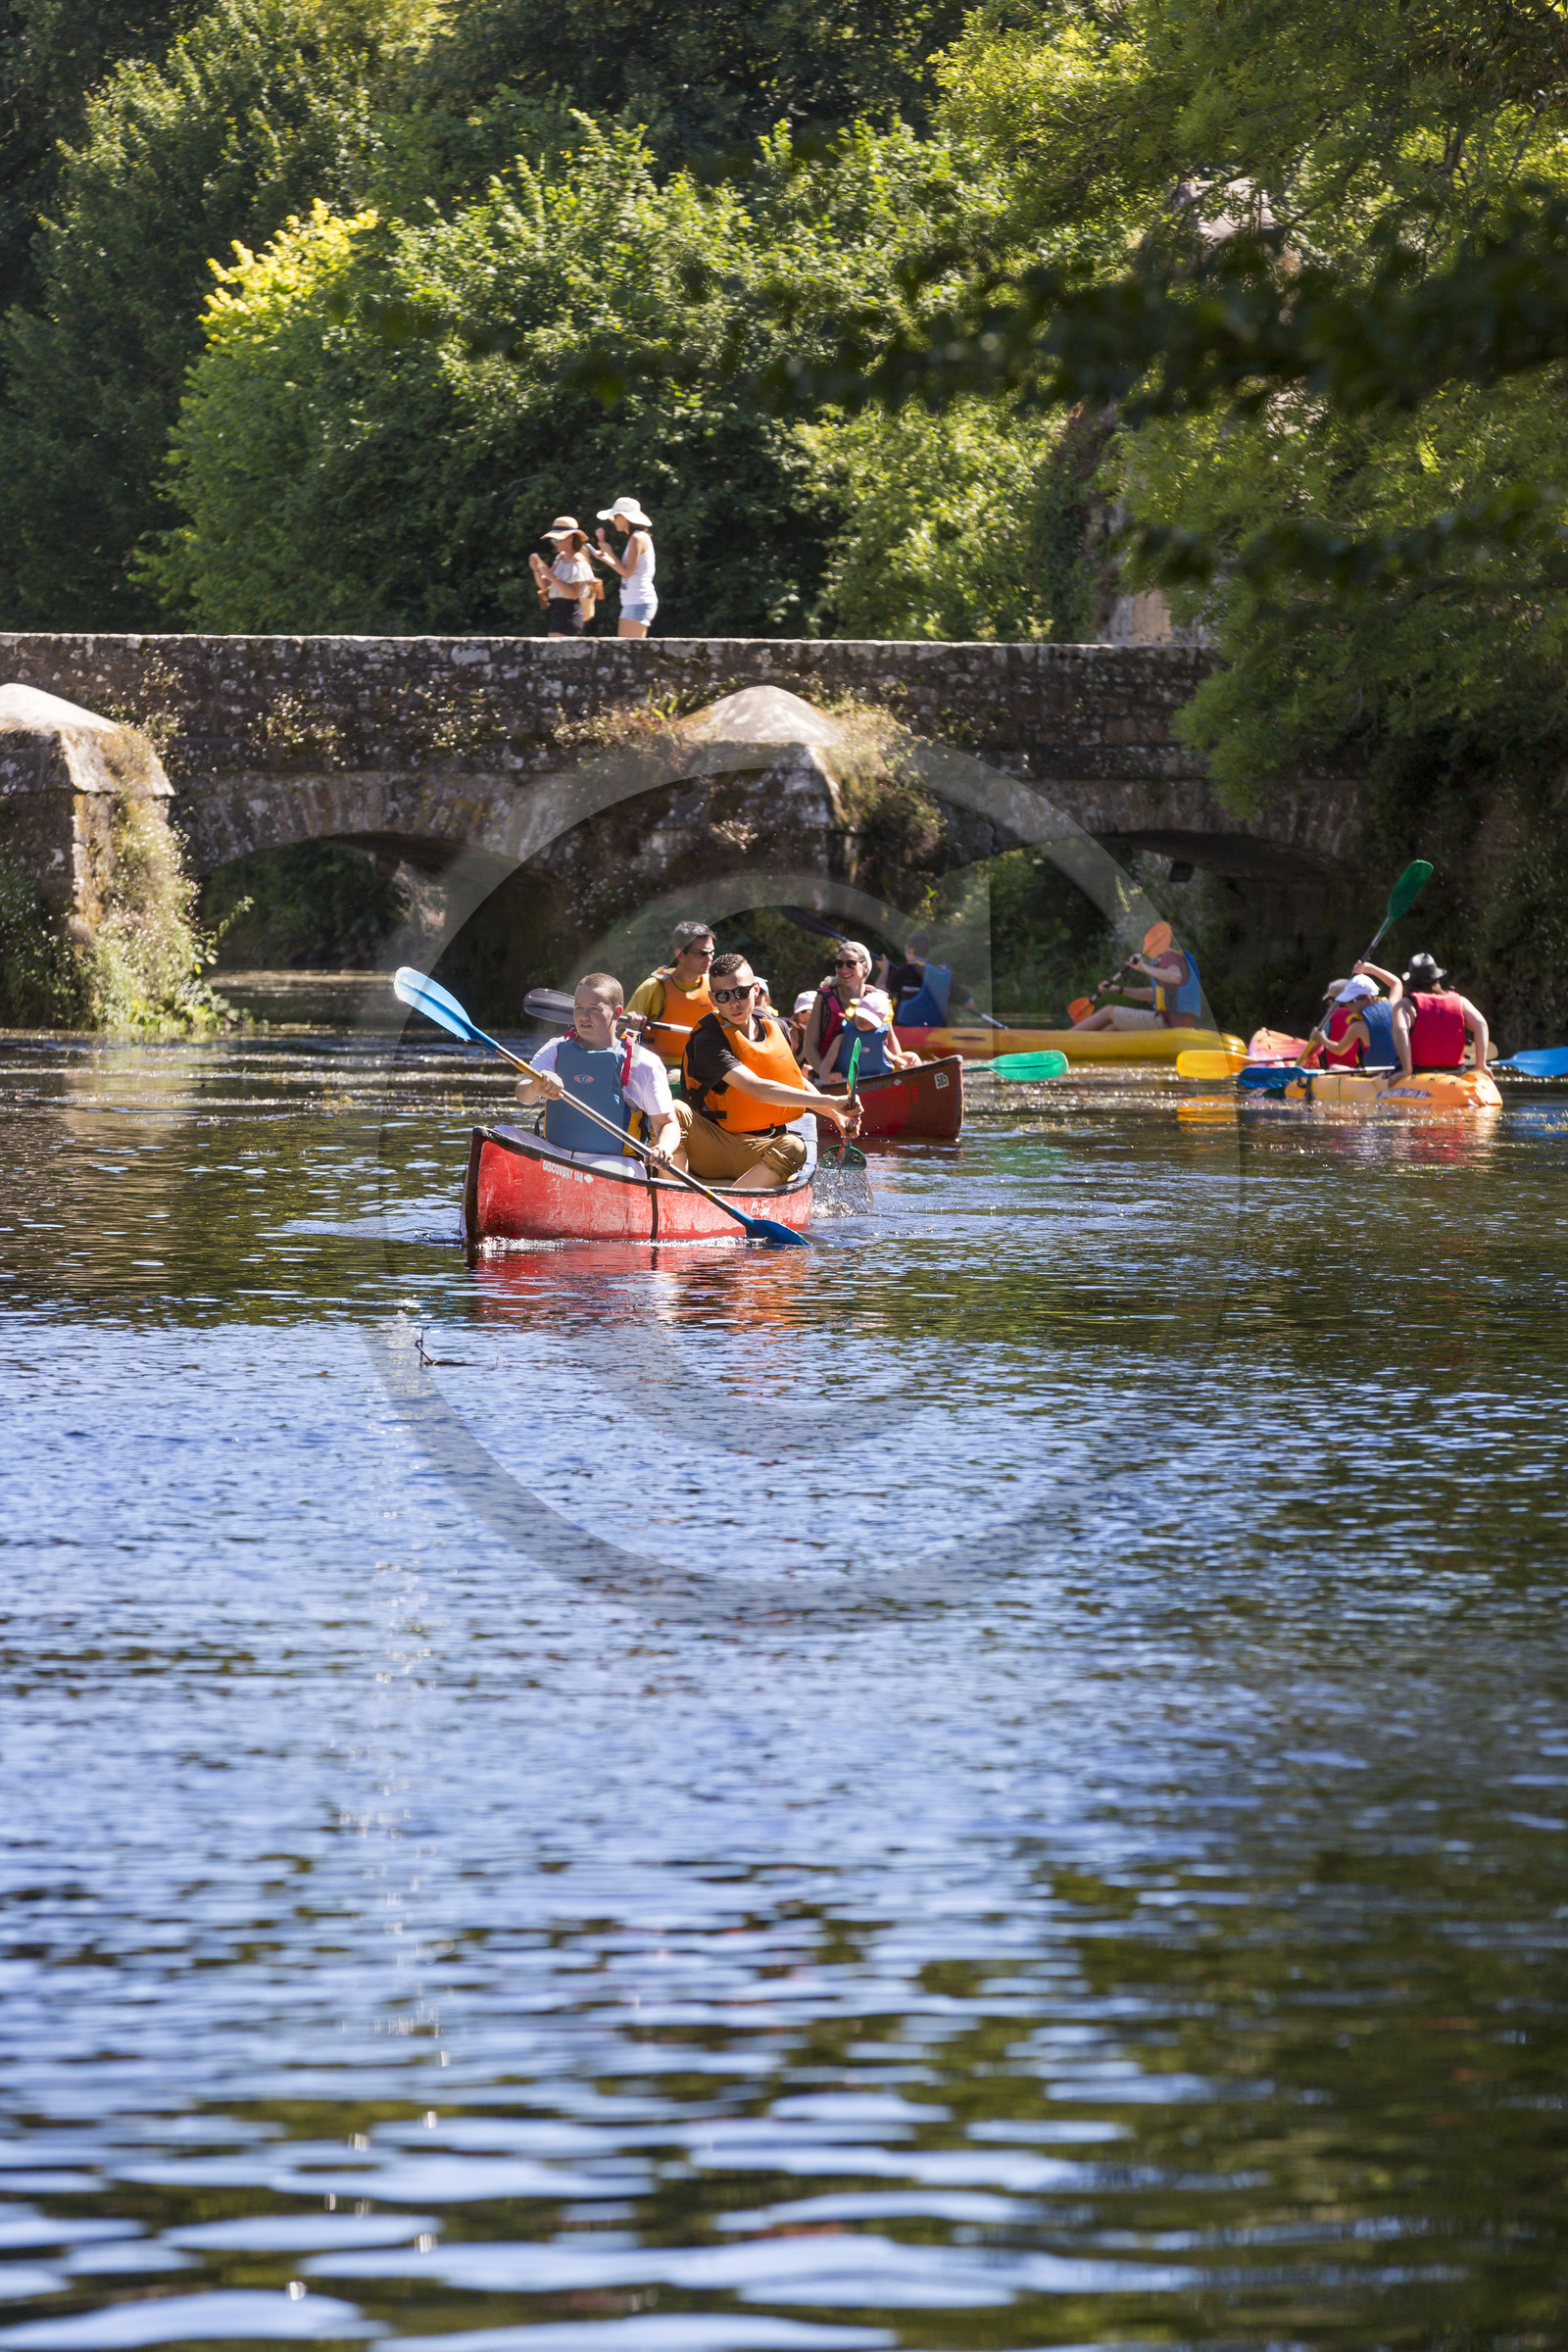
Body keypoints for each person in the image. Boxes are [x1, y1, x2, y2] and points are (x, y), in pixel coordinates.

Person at [677, 952, 860, 1187]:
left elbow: (794, 1080)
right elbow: (757, 1089)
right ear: (713, 999)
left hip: (761, 1149)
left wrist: (837, 1115)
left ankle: (736, 1197)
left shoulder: (776, 1026)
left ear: (754, 990)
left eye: (741, 992)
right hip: (714, 1147)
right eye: (723, 996)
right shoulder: (708, 1040)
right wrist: (832, 1100)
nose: (734, 1003)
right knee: (674, 1111)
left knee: (794, 1146)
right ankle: (677, 1190)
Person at [513, 973, 680, 1161]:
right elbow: (522, 1095)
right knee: (499, 1134)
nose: (583, 1016)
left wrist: (663, 1148)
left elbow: (667, 1123)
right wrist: (535, 1086)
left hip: (614, 1162)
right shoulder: (555, 1048)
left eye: (594, 1009)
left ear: (617, 1012)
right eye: (579, 1008)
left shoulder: (643, 1062)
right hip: (556, 1154)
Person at [804, 942, 919, 1081]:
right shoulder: (824, 998)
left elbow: (889, 1036)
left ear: (864, 967)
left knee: (914, 1059)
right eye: (839, 964)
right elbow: (809, 1046)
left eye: (850, 964)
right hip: (836, 1078)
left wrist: (899, 1064)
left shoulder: (877, 997)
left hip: (875, 1076)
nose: (844, 969)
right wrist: (826, 1075)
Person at [1365, 953, 1491, 1079]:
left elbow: (1401, 1031)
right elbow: (1481, 1024)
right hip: (1456, 1073)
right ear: (1437, 979)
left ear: (1411, 982)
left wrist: (1406, 1071)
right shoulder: (1461, 1001)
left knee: (1380, 1077)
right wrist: (1480, 1064)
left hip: (1419, 1073)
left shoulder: (1405, 1006)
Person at [626, 921, 716, 1072]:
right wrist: (631, 1023)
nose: (709, 958)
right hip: (664, 1066)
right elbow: (618, 1030)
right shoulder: (653, 987)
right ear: (680, 954)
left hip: (707, 1063)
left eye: (712, 952)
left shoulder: (715, 985)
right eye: (702, 953)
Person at [1071, 939, 1203, 1030]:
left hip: (1168, 1022)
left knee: (1109, 1011)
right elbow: (1150, 994)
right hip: (1177, 1022)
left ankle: (1064, 1039)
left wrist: (1143, 968)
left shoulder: (1169, 956)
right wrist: (1117, 989)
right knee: (1112, 1028)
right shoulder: (1174, 959)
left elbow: (1175, 977)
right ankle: (1079, 1045)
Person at [1303, 970, 1402, 1072]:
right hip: (1399, 1069)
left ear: (1368, 998)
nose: (1348, 1005)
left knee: (1334, 1068)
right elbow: (1396, 983)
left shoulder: (1358, 1027)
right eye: (1346, 1001)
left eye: (1352, 1001)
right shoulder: (1392, 1005)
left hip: (1379, 1077)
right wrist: (1369, 968)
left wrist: (1321, 1039)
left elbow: (1339, 1050)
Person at [878, 932, 975, 1028]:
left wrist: (885, 969)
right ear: (928, 953)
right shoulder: (943, 974)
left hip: (904, 1031)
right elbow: (969, 1004)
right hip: (936, 1033)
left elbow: (880, 992)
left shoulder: (903, 972)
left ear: (907, 950)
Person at [592, 497, 657, 638]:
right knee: (628, 652)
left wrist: (609, 552)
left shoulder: (637, 538)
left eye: (615, 516)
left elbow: (627, 572)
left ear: (625, 517)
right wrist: (606, 557)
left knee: (632, 653)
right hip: (634, 601)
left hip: (639, 600)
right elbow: (626, 570)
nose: (613, 520)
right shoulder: (637, 537)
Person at [528, 517, 597, 637]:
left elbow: (574, 594)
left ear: (570, 538)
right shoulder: (560, 558)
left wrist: (552, 577)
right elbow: (545, 585)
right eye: (553, 540)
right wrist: (536, 570)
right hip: (557, 612)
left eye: (557, 540)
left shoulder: (578, 561)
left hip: (569, 613)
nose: (555, 544)